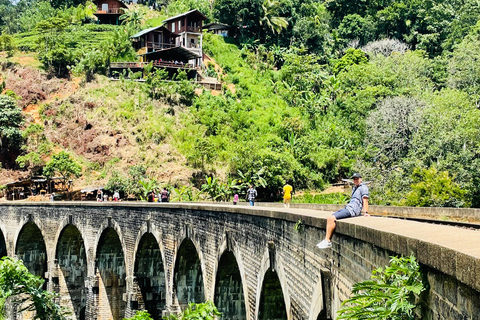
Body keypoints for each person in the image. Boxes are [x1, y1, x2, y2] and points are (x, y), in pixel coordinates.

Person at [317, 173, 370, 249]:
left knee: (332, 219)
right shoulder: (355, 188)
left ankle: (328, 241)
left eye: (357, 179)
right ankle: (326, 240)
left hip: (353, 210)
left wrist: (366, 213)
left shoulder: (363, 188)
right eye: (354, 179)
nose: (355, 180)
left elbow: (365, 200)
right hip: (348, 208)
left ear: (361, 179)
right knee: (330, 217)